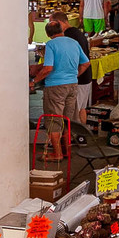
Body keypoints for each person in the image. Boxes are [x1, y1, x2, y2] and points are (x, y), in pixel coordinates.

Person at [33, 19, 90, 163]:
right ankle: (67, 151)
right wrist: (74, 75)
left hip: (55, 87)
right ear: (61, 30)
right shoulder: (73, 42)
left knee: (53, 120)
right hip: (72, 85)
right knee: (67, 120)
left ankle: (57, 153)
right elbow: (86, 63)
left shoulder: (51, 44)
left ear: (48, 34)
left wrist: (33, 81)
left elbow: (48, 68)